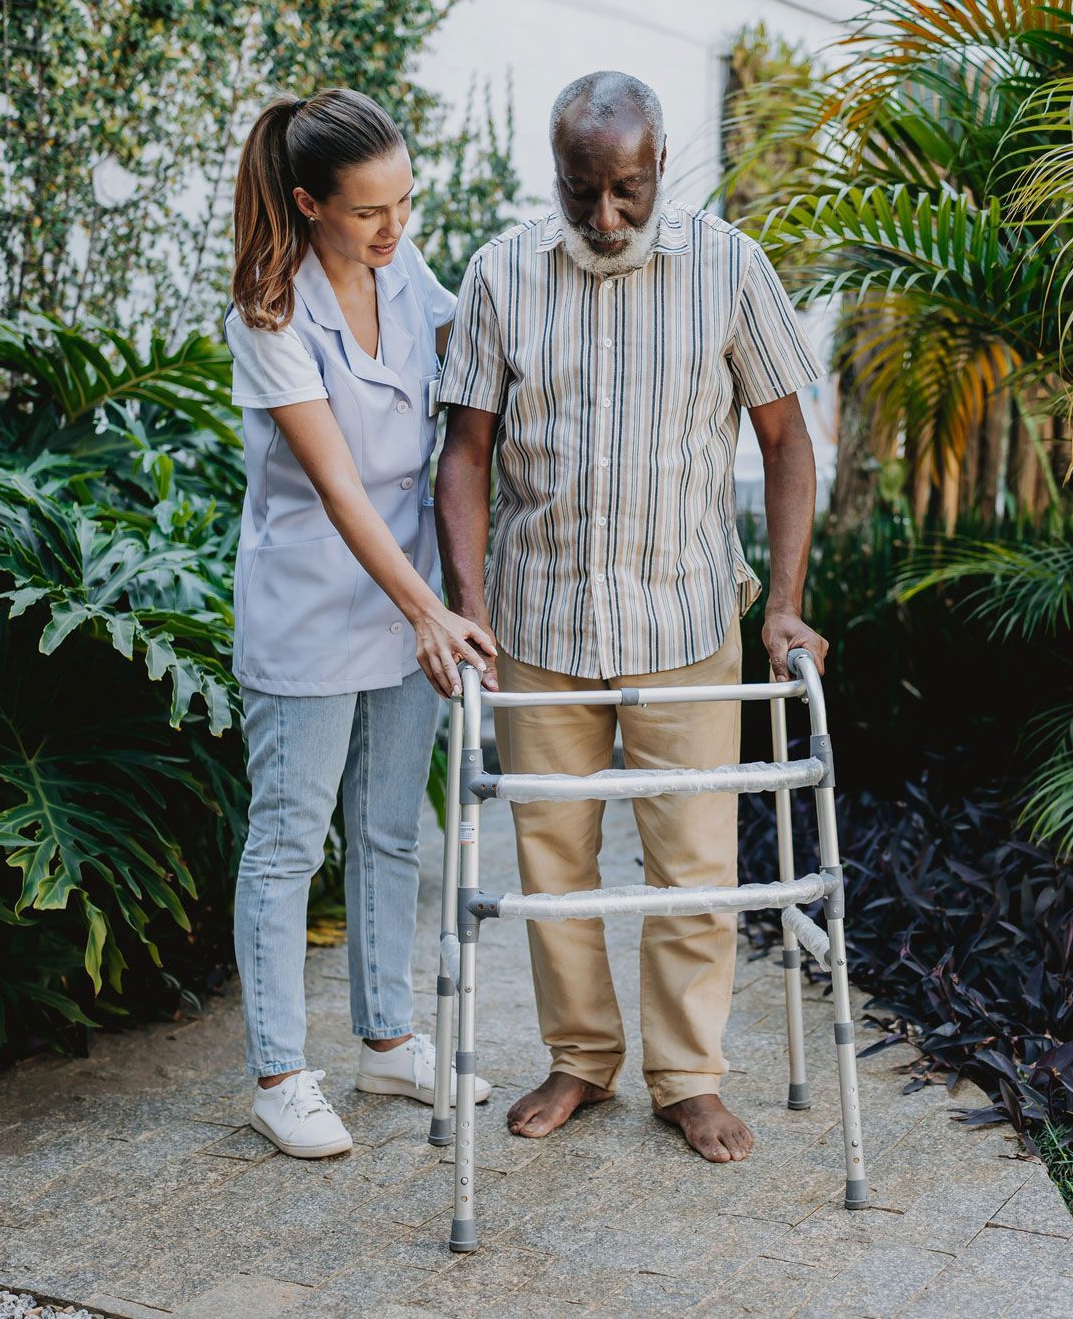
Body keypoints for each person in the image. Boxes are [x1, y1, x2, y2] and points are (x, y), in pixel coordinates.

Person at [434, 71, 829, 1165]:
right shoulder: (502, 272)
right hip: (539, 617)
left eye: (627, 189)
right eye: (581, 190)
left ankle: (687, 1077)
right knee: (551, 861)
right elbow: (463, 453)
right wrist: (468, 610)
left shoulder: (730, 268)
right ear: (554, 173)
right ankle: (579, 1058)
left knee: (691, 863)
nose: (604, 216)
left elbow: (788, 441)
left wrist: (785, 607)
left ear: (662, 166)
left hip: (685, 608)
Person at [227, 88, 496, 1160]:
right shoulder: (269, 313)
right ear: (308, 203)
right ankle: (279, 1075)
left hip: (405, 598)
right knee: (289, 842)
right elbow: (336, 483)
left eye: (406, 202)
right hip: (312, 601)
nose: (394, 228)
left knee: (391, 829)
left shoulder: (406, 272)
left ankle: (387, 1043)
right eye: (369, 211)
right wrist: (430, 608)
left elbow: (480, 367)